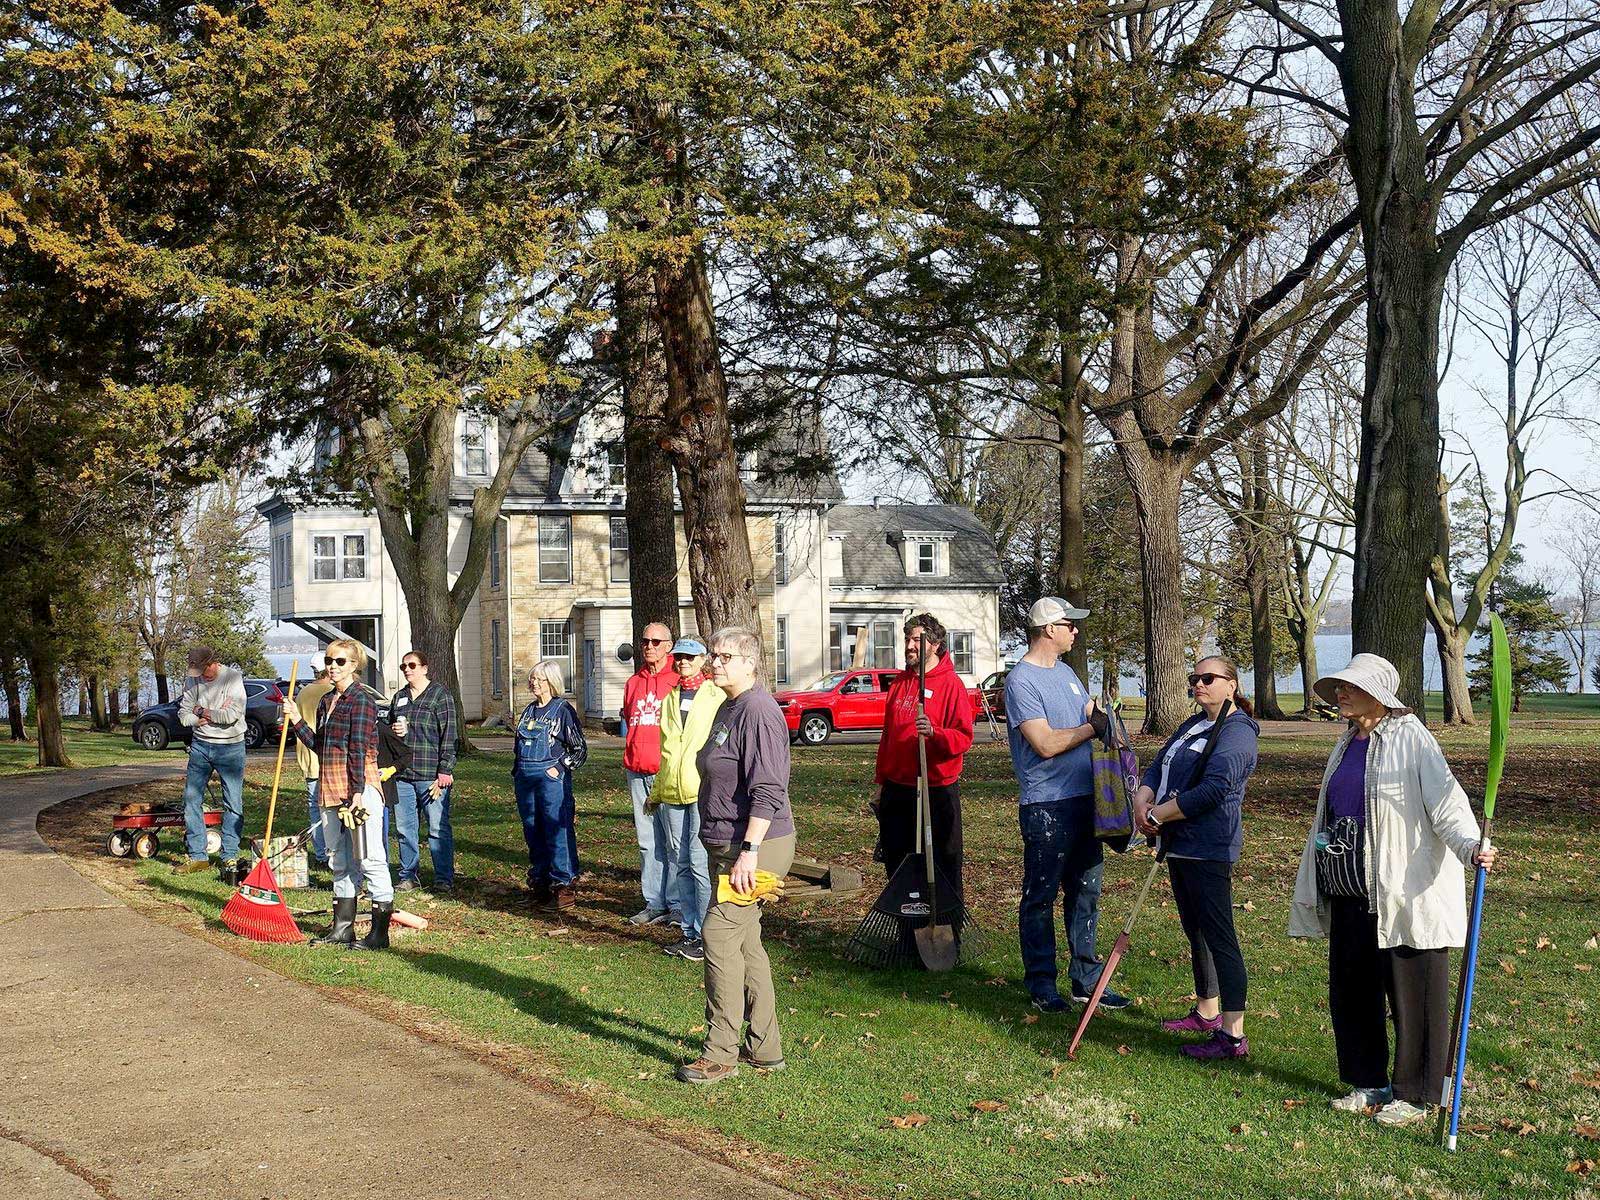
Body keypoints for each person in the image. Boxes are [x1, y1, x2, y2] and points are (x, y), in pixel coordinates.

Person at [1289, 654, 1498, 1127]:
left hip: (1405, 890)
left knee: (1415, 994)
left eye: (1351, 686)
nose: (1341, 693)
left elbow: (1446, 803)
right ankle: (1367, 1082)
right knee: (1353, 990)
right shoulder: (1346, 742)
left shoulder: (1411, 738)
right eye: (1339, 686)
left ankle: (1417, 1094)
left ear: (1379, 695)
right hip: (1350, 886)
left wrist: (1471, 846)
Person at [676, 626, 796, 1085]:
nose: (715, 662)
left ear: (750, 663)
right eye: (714, 655)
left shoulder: (759, 711)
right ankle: (765, 1048)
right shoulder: (729, 706)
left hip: (756, 848)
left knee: (719, 934)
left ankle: (720, 1053)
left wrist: (749, 852)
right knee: (746, 944)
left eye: (725, 656)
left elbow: (768, 789)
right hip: (726, 846)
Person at [1133, 655, 1260, 1061]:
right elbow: (1160, 765)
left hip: (1209, 845)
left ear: (1232, 685)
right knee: (1196, 930)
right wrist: (1142, 798)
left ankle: (1233, 1036)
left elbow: (1215, 788)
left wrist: (1159, 815)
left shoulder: (1238, 730)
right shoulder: (1193, 723)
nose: (1199, 684)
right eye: (1194, 678)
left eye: (1208, 678)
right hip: (1178, 843)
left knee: (1220, 936)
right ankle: (1207, 1011)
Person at [1003, 597, 1119, 1014]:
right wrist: (1092, 727)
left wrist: (1104, 717)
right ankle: (1041, 984)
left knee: (1086, 891)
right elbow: (1046, 743)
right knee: (1041, 895)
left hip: (1086, 800)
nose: (1075, 631)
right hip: (1047, 806)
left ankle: (1086, 980)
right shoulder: (1021, 681)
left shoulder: (1067, 673)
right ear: (1049, 629)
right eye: (1070, 624)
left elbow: (1091, 711)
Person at [282, 638, 394, 950]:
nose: (332, 666)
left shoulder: (362, 700)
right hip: (330, 788)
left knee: (370, 858)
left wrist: (356, 792)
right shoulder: (327, 701)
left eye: (340, 661)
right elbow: (320, 746)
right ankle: (343, 928)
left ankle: (379, 934)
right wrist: (296, 720)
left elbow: (358, 748)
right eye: (329, 660)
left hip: (359, 790)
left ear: (354, 665)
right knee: (339, 860)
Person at [874, 613, 974, 898]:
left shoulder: (951, 684)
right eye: (907, 639)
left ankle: (944, 920)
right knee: (898, 864)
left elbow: (964, 737)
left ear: (935, 644)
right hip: (898, 790)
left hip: (935, 790)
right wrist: (881, 783)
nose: (909, 646)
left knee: (943, 863)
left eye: (917, 640)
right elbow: (888, 737)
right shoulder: (900, 683)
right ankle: (906, 922)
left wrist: (934, 733)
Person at [652, 638, 723, 962]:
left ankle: (709, 935)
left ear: (702, 660)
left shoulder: (715, 695)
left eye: (689, 657)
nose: (683, 662)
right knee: (680, 863)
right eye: (679, 657)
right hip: (672, 789)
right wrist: (657, 791)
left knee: (698, 863)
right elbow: (666, 750)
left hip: (700, 790)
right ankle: (689, 932)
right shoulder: (670, 697)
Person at [513, 660, 588, 910]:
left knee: (557, 830)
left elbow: (579, 750)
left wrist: (559, 768)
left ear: (551, 682)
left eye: (539, 679)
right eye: (532, 678)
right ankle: (540, 885)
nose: (533, 683)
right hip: (526, 780)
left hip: (551, 781)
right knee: (533, 831)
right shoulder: (529, 711)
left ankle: (563, 887)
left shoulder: (563, 710)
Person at [621, 621, 680, 926]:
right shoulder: (633, 683)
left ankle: (678, 904)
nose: (649, 647)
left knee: (673, 841)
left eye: (656, 642)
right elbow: (629, 719)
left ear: (669, 646)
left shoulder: (677, 681)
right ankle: (654, 902)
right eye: (645, 641)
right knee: (647, 841)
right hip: (636, 771)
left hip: (666, 772)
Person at [173, 646, 249, 884]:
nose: (200, 676)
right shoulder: (192, 680)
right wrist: (197, 717)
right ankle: (198, 855)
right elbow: (184, 714)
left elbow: (231, 715)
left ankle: (229, 855)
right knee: (191, 800)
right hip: (200, 746)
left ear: (213, 663)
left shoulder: (233, 678)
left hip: (231, 747)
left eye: (203, 670)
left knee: (233, 802)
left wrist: (201, 710)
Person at [388, 649, 458, 895]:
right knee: (405, 829)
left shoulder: (440, 695)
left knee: (437, 829)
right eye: (403, 666)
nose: (407, 670)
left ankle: (443, 878)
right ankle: (408, 876)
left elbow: (449, 734)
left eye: (412, 665)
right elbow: (388, 732)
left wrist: (445, 770)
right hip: (403, 776)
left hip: (431, 775)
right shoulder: (399, 697)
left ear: (425, 668)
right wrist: (393, 731)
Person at [295, 667, 334, 871]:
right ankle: (331, 852)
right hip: (327, 757)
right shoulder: (332, 692)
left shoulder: (303, 692)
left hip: (309, 757)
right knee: (330, 809)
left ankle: (321, 854)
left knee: (315, 809)